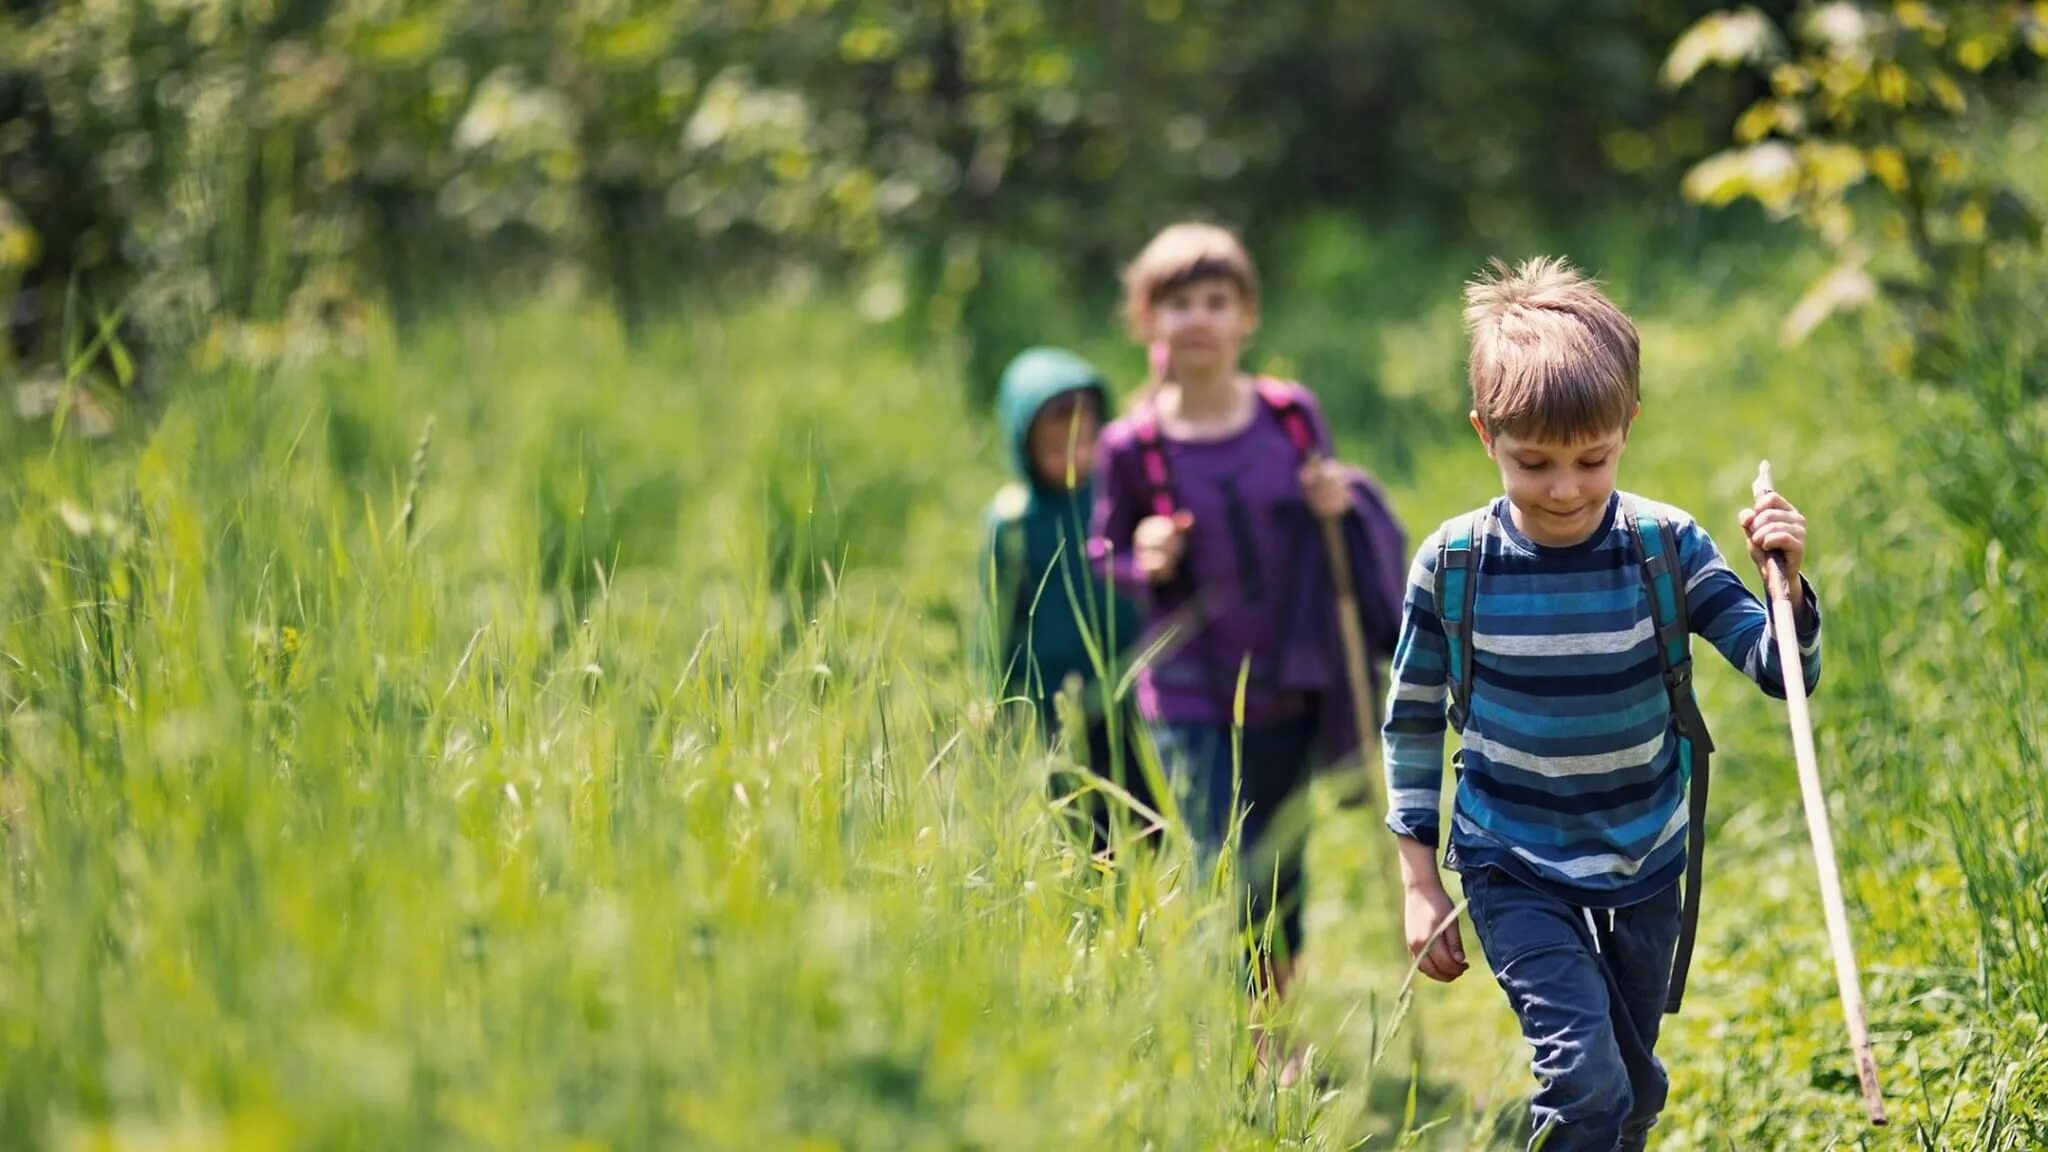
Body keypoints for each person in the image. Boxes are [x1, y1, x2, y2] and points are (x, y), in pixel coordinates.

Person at [1382, 256, 1822, 1151]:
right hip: (1513, 856)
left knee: (1632, 1087)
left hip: (1646, 854)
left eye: (1593, 458)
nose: (1565, 489)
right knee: (1585, 1081)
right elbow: (1414, 716)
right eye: (1532, 462)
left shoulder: (1665, 546)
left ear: (1627, 426)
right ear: (1485, 437)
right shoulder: (1455, 565)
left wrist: (1789, 587)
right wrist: (1420, 881)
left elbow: (1782, 672)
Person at [1087, 222, 1405, 1078]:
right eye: (1178, 302)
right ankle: (1246, 1043)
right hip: (1189, 685)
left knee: (1281, 862)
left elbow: (1333, 521)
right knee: (1220, 857)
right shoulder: (1132, 446)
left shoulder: (1289, 415)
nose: (1197, 318)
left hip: (1292, 675)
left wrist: (1337, 501)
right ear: (1146, 318)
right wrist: (1141, 553)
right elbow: (1103, 551)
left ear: (1245, 316)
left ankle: (1275, 1021)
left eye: (1215, 301)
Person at [981, 346, 1151, 851]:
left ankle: (1151, 905)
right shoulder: (1013, 522)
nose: (1073, 459)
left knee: (1149, 809)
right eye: (1053, 449)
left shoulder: (1120, 497)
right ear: (1023, 448)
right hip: (1055, 699)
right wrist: (996, 695)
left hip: (1132, 682)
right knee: (1078, 818)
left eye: (1085, 442)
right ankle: (1095, 905)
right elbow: (995, 618)